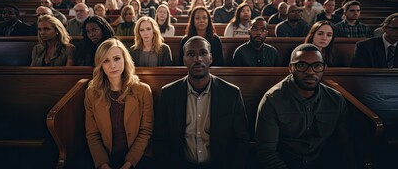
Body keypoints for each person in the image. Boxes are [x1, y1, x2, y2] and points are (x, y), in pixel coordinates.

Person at [153, 36, 250, 169]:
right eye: (191, 54)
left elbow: (241, 141)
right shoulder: (169, 94)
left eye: (203, 53)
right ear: (184, 60)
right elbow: (160, 140)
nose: (198, 59)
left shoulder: (231, 94)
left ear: (210, 58)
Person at [255, 43, 354, 169]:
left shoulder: (335, 99)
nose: (310, 71)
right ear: (290, 68)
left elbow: (344, 145)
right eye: (301, 65)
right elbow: (267, 153)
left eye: (317, 66)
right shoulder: (272, 99)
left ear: (324, 68)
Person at [85, 38, 153, 169]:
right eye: (106, 61)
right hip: (106, 159)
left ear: (125, 60)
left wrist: (128, 164)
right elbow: (92, 134)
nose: (112, 65)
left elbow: (146, 132)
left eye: (117, 58)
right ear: (100, 65)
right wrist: (103, 164)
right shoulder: (91, 93)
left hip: (137, 159)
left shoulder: (143, 90)